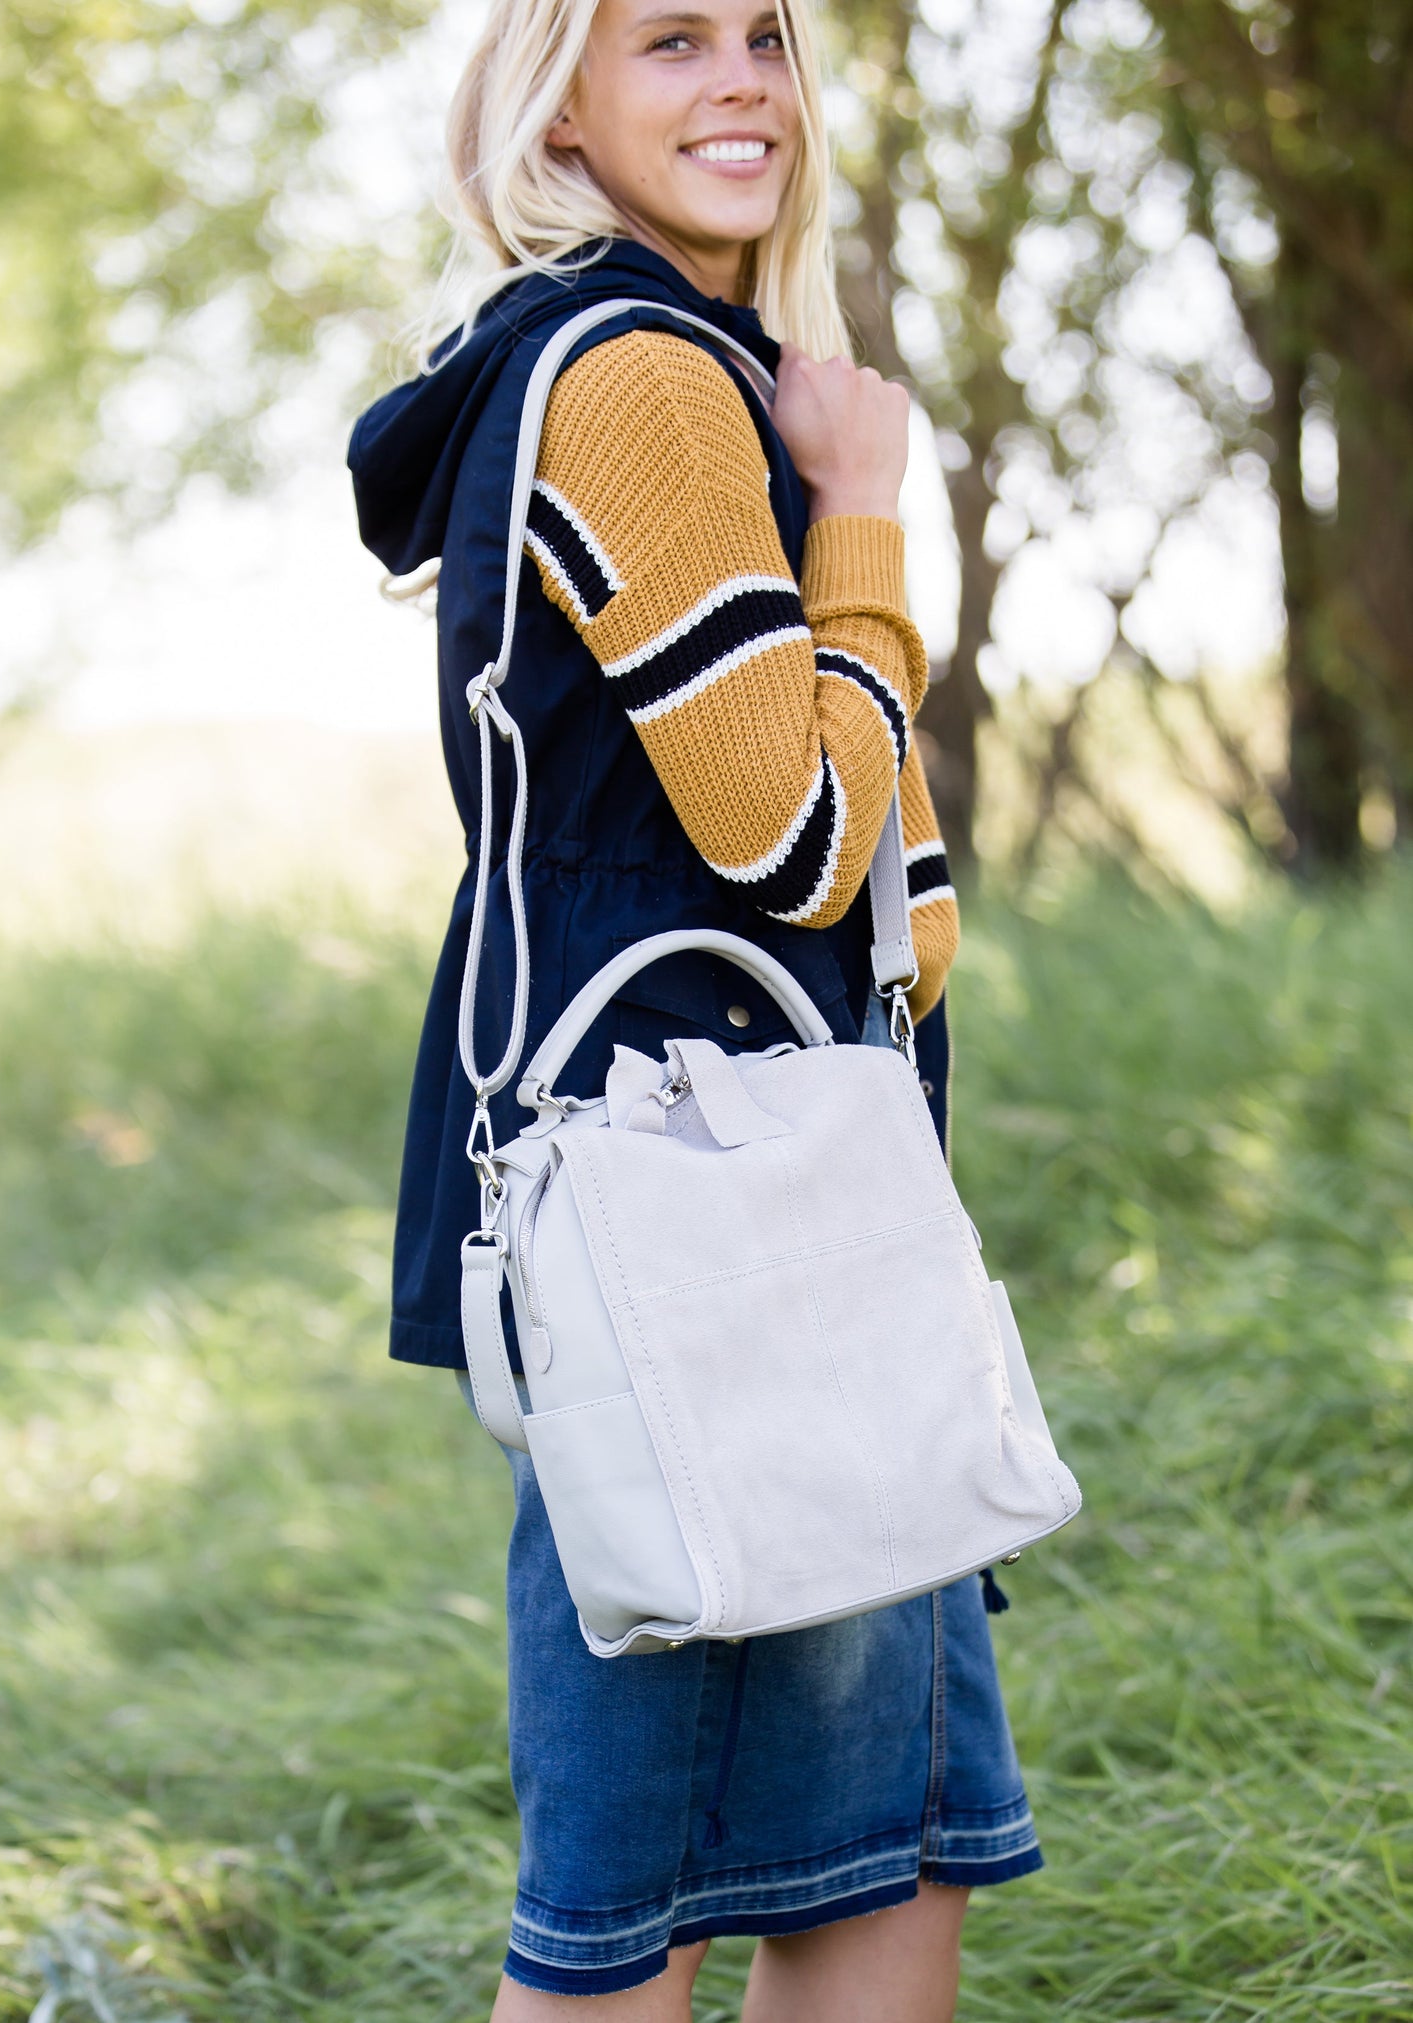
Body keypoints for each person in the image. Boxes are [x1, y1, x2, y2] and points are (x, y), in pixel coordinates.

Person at [349, 1, 1042, 2014]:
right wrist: (868, 522)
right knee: (631, 1894)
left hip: (759, 1186)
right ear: (558, 92)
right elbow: (804, 838)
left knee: (887, 1852)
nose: (745, 76)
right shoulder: (643, 382)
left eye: (767, 36)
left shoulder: (676, 368)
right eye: (672, 39)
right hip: (712, 1198)